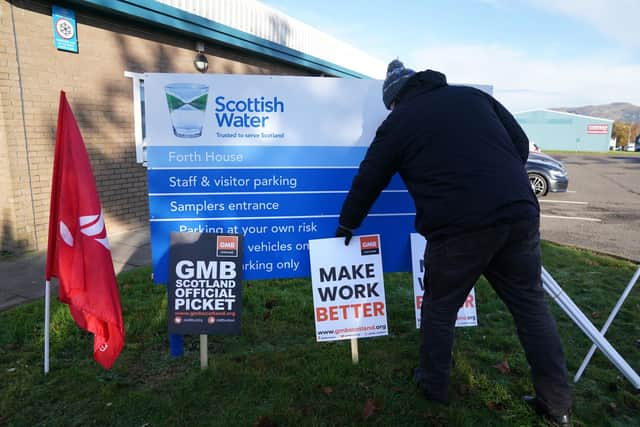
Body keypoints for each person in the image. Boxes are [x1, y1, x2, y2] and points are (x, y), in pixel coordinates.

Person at [335, 59, 571, 426]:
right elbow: (521, 146)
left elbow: (370, 179)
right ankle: (556, 405)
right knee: (531, 308)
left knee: (440, 307)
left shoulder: (398, 122)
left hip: (459, 229)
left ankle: (433, 387)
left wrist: (347, 225)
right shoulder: (474, 98)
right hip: (519, 213)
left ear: (395, 100)